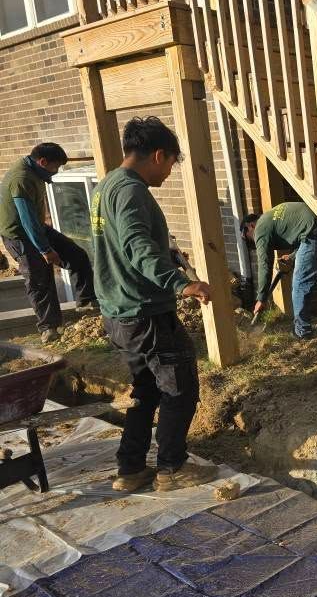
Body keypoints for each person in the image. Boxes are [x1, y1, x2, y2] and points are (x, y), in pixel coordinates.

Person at [90, 116, 216, 494]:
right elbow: (136, 246)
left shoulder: (107, 185)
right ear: (158, 154)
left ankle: (130, 470)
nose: (170, 172)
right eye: (172, 163)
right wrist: (182, 283)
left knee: (145, 391)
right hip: (144, 313)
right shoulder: (131, 192)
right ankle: (172, 468)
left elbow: (126, 245)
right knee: (180, 389)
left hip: (120, 313)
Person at [0, 143, 98, 342]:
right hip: (19, 235)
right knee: (39, 277)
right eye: (56, 167)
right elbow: (26, 219)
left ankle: (86, 302)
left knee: (77, 255)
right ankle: (49, 328)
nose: (56, 172)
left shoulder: (33, 169)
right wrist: (45, 249)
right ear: (42, 162)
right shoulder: (22, 178)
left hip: (37, 227)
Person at [242, 202, 317, 338]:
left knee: (300, 284)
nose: (252, 240)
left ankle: (302, 331)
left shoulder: (260, 229)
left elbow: (264, 264)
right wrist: (292, 256)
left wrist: (261, 298)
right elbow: (301, 230)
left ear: (250, 226)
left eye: (248, 236)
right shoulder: (271, 216)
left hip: (312, 235)